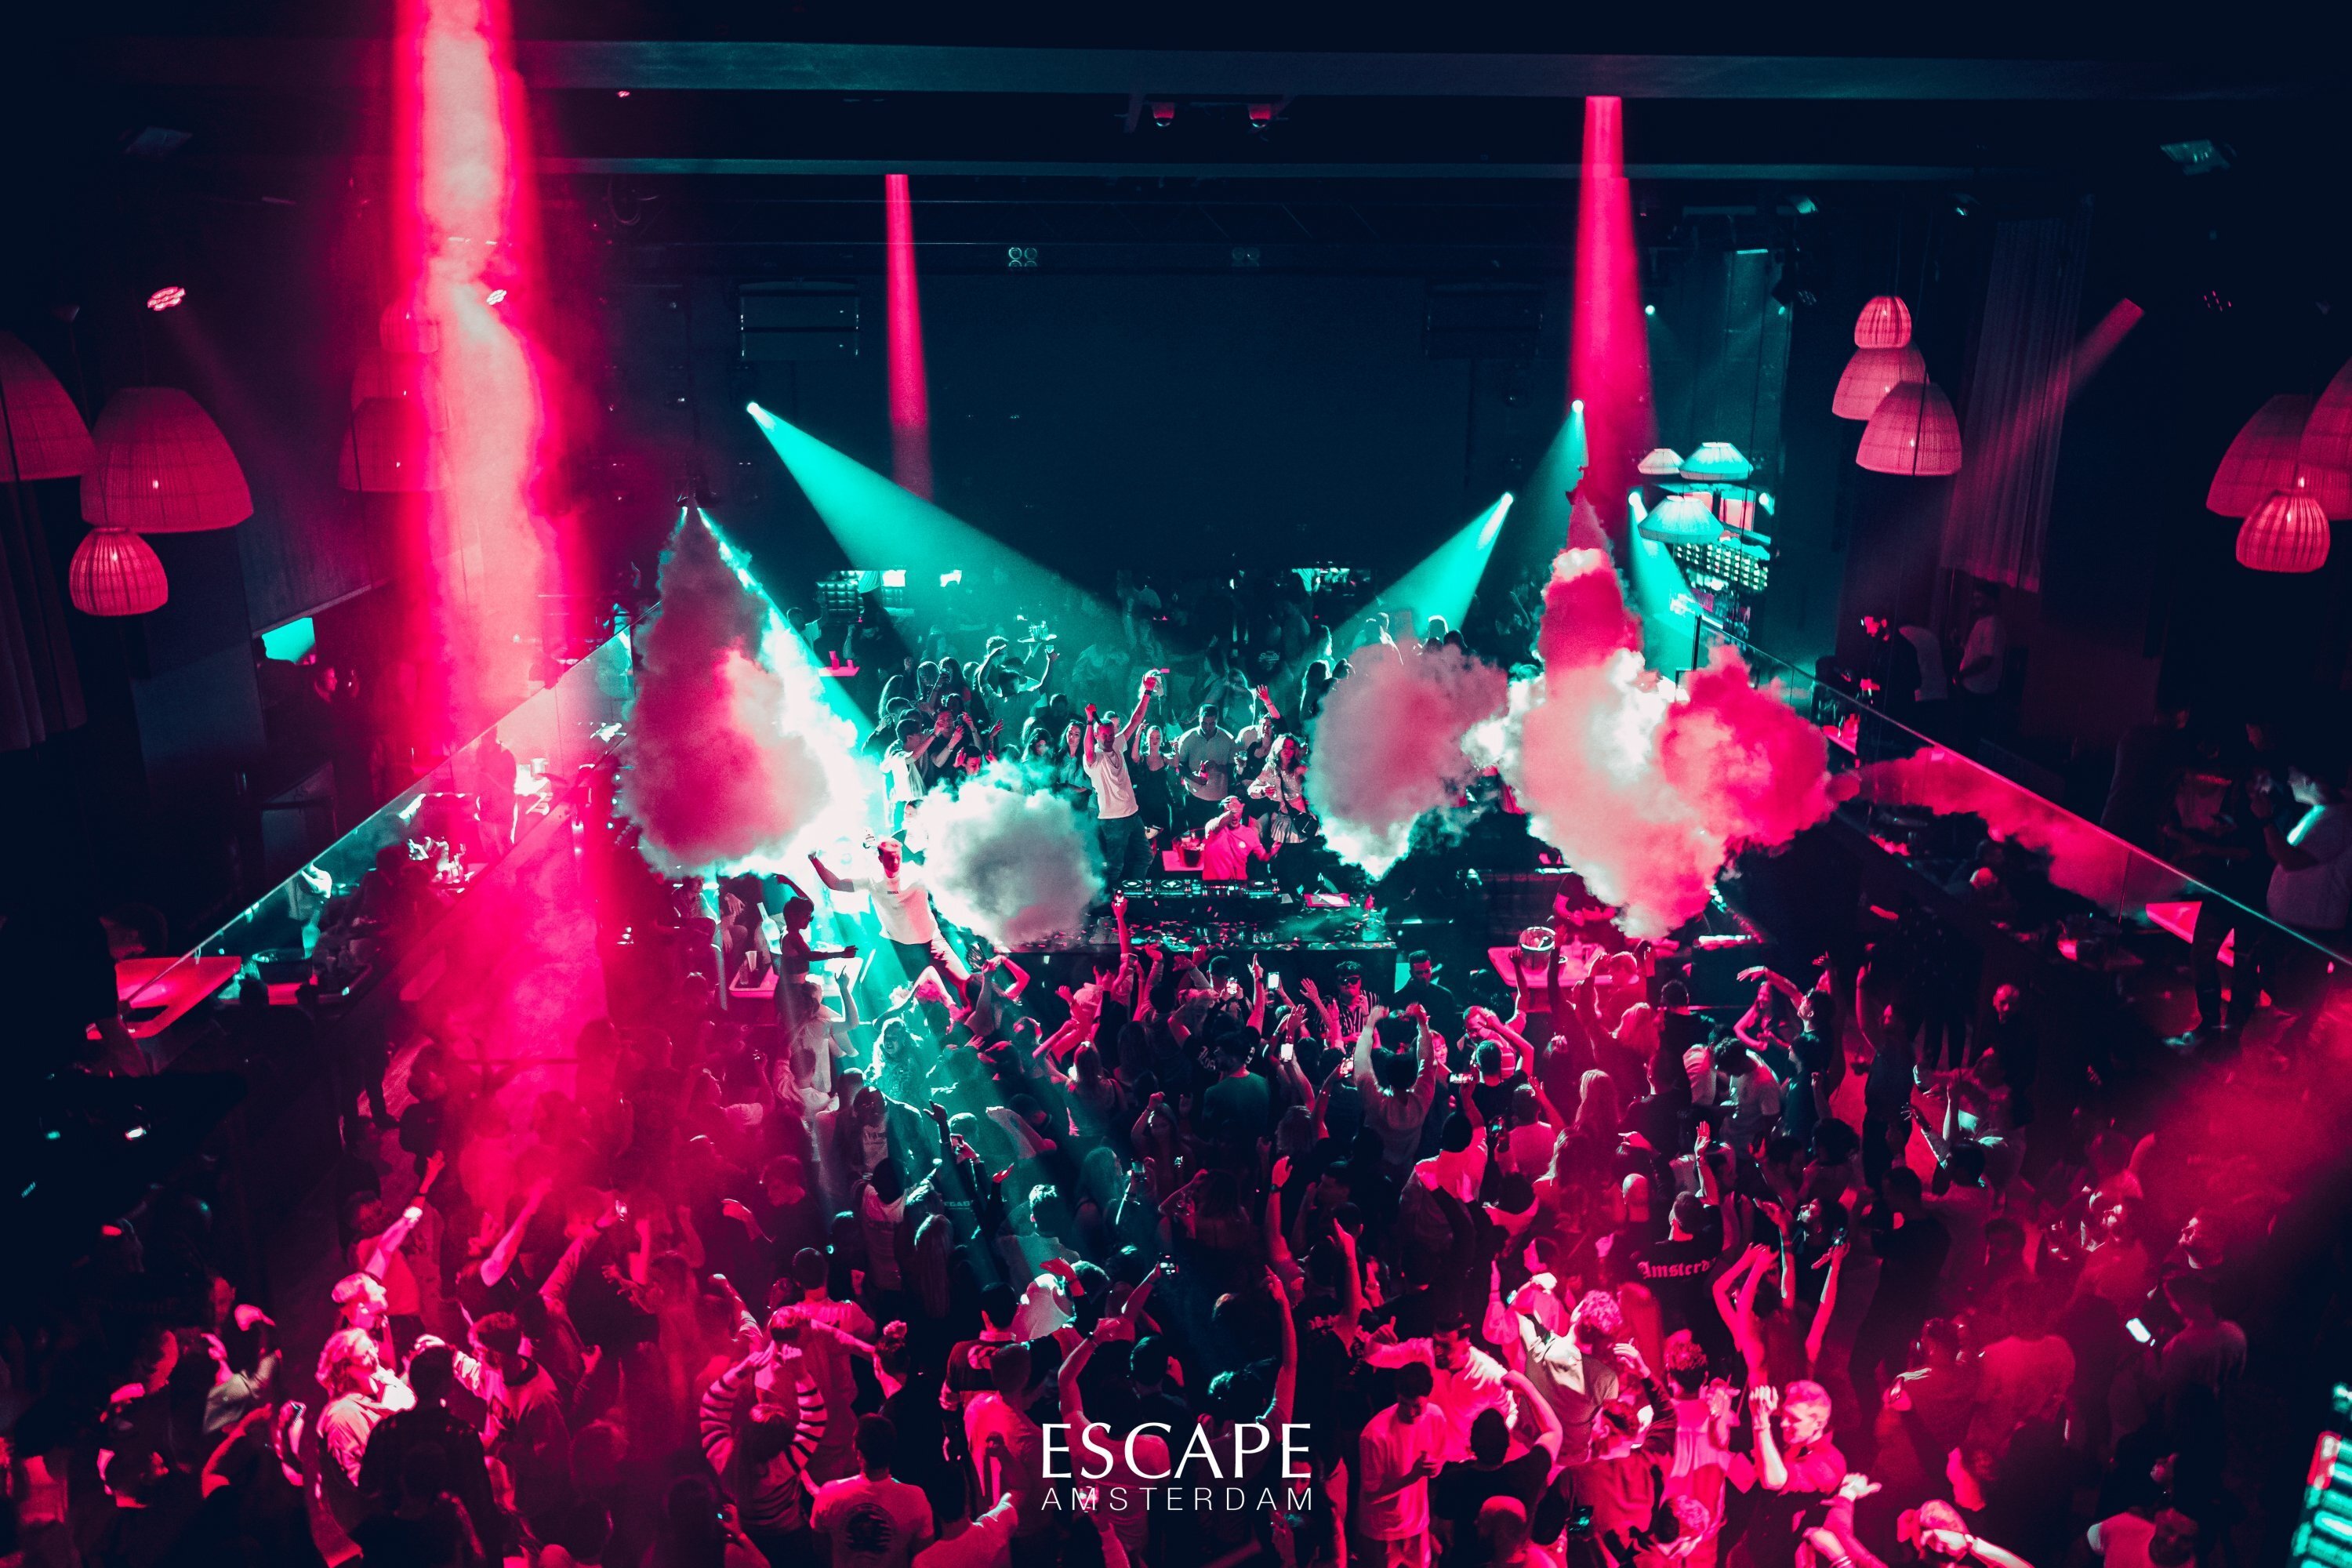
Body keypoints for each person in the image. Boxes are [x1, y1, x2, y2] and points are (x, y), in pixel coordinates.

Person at [2248, 757, 2352, 1017]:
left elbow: (2290, 860)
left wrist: (2265, 820)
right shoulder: (2322, 814)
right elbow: (2282, 854)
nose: (2289, 782)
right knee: (2289, 998)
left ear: (2309, 780)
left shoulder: (2337, 820)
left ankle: (2298, 1041)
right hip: (2297, 929)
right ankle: (2292, 1037)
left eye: (2292, 775)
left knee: (2298, 1000)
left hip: (2309, 932)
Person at [810, 840, 966, 994]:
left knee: (964, 984)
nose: (895, 862)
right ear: (880, 859)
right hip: (894, 944)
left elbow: (950, 881)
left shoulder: (917, 874)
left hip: (930, 942)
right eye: (891, 858)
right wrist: (814, 859)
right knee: (868, 988)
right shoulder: (872, 879)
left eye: (898, 857)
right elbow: (836, 884)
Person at [1358, 1359, 1451, 1568]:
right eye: (1403, 1404)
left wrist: (1435, 1468)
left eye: (1417, 1406)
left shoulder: (1435, 1417)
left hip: (1417, 1523)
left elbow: (1440, 1459)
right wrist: (1412, 1477)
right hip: (1382, 1529)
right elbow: (1371, 1494)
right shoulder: (1375, 1435)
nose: (1410, 1412)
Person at [811, 1415, 935, 1568]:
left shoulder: (829, 1494)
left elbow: (820, 1549)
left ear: (856, 1450)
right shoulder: (915, 1498)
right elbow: (924, 1555)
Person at [1083, 672, 1160, 889]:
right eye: (1104, 736)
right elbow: (1088, 749)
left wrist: (1147, 692)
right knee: (1115, 866)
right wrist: (1089, 722)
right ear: (1097, 735)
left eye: (1110, 735)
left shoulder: (1117, 743)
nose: (1109, 739)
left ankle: (1133, 894)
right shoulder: (1094, 758)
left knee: (1146, 857)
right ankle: (1108, 901)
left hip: (1132, 814)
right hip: (1113, 820)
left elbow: (1136, 720)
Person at [1174, 704, 1239, 832]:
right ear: (1199, 718)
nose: (1208, 728)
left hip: (1218, 798)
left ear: (1217, 720)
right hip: (1194, 796)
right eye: (1204, 723)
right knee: (1195, 834)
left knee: (1216, 836)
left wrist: (1218, 768)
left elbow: (1234, 770)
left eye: (1212, 724)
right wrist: (1193, 777)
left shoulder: (1228, 739)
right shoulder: (1188, 738)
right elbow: (1180, 765)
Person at [1201, 793, 1272, 883]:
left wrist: (1275, 850)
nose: (1234, 815)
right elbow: (1219, 823)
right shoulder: (1212, 826)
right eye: (1229, 809)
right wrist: (1233, 811)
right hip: (1215, 884)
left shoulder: (1249, 833)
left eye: (1237, 809)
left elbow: (1264, 857)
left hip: (1239, 885)